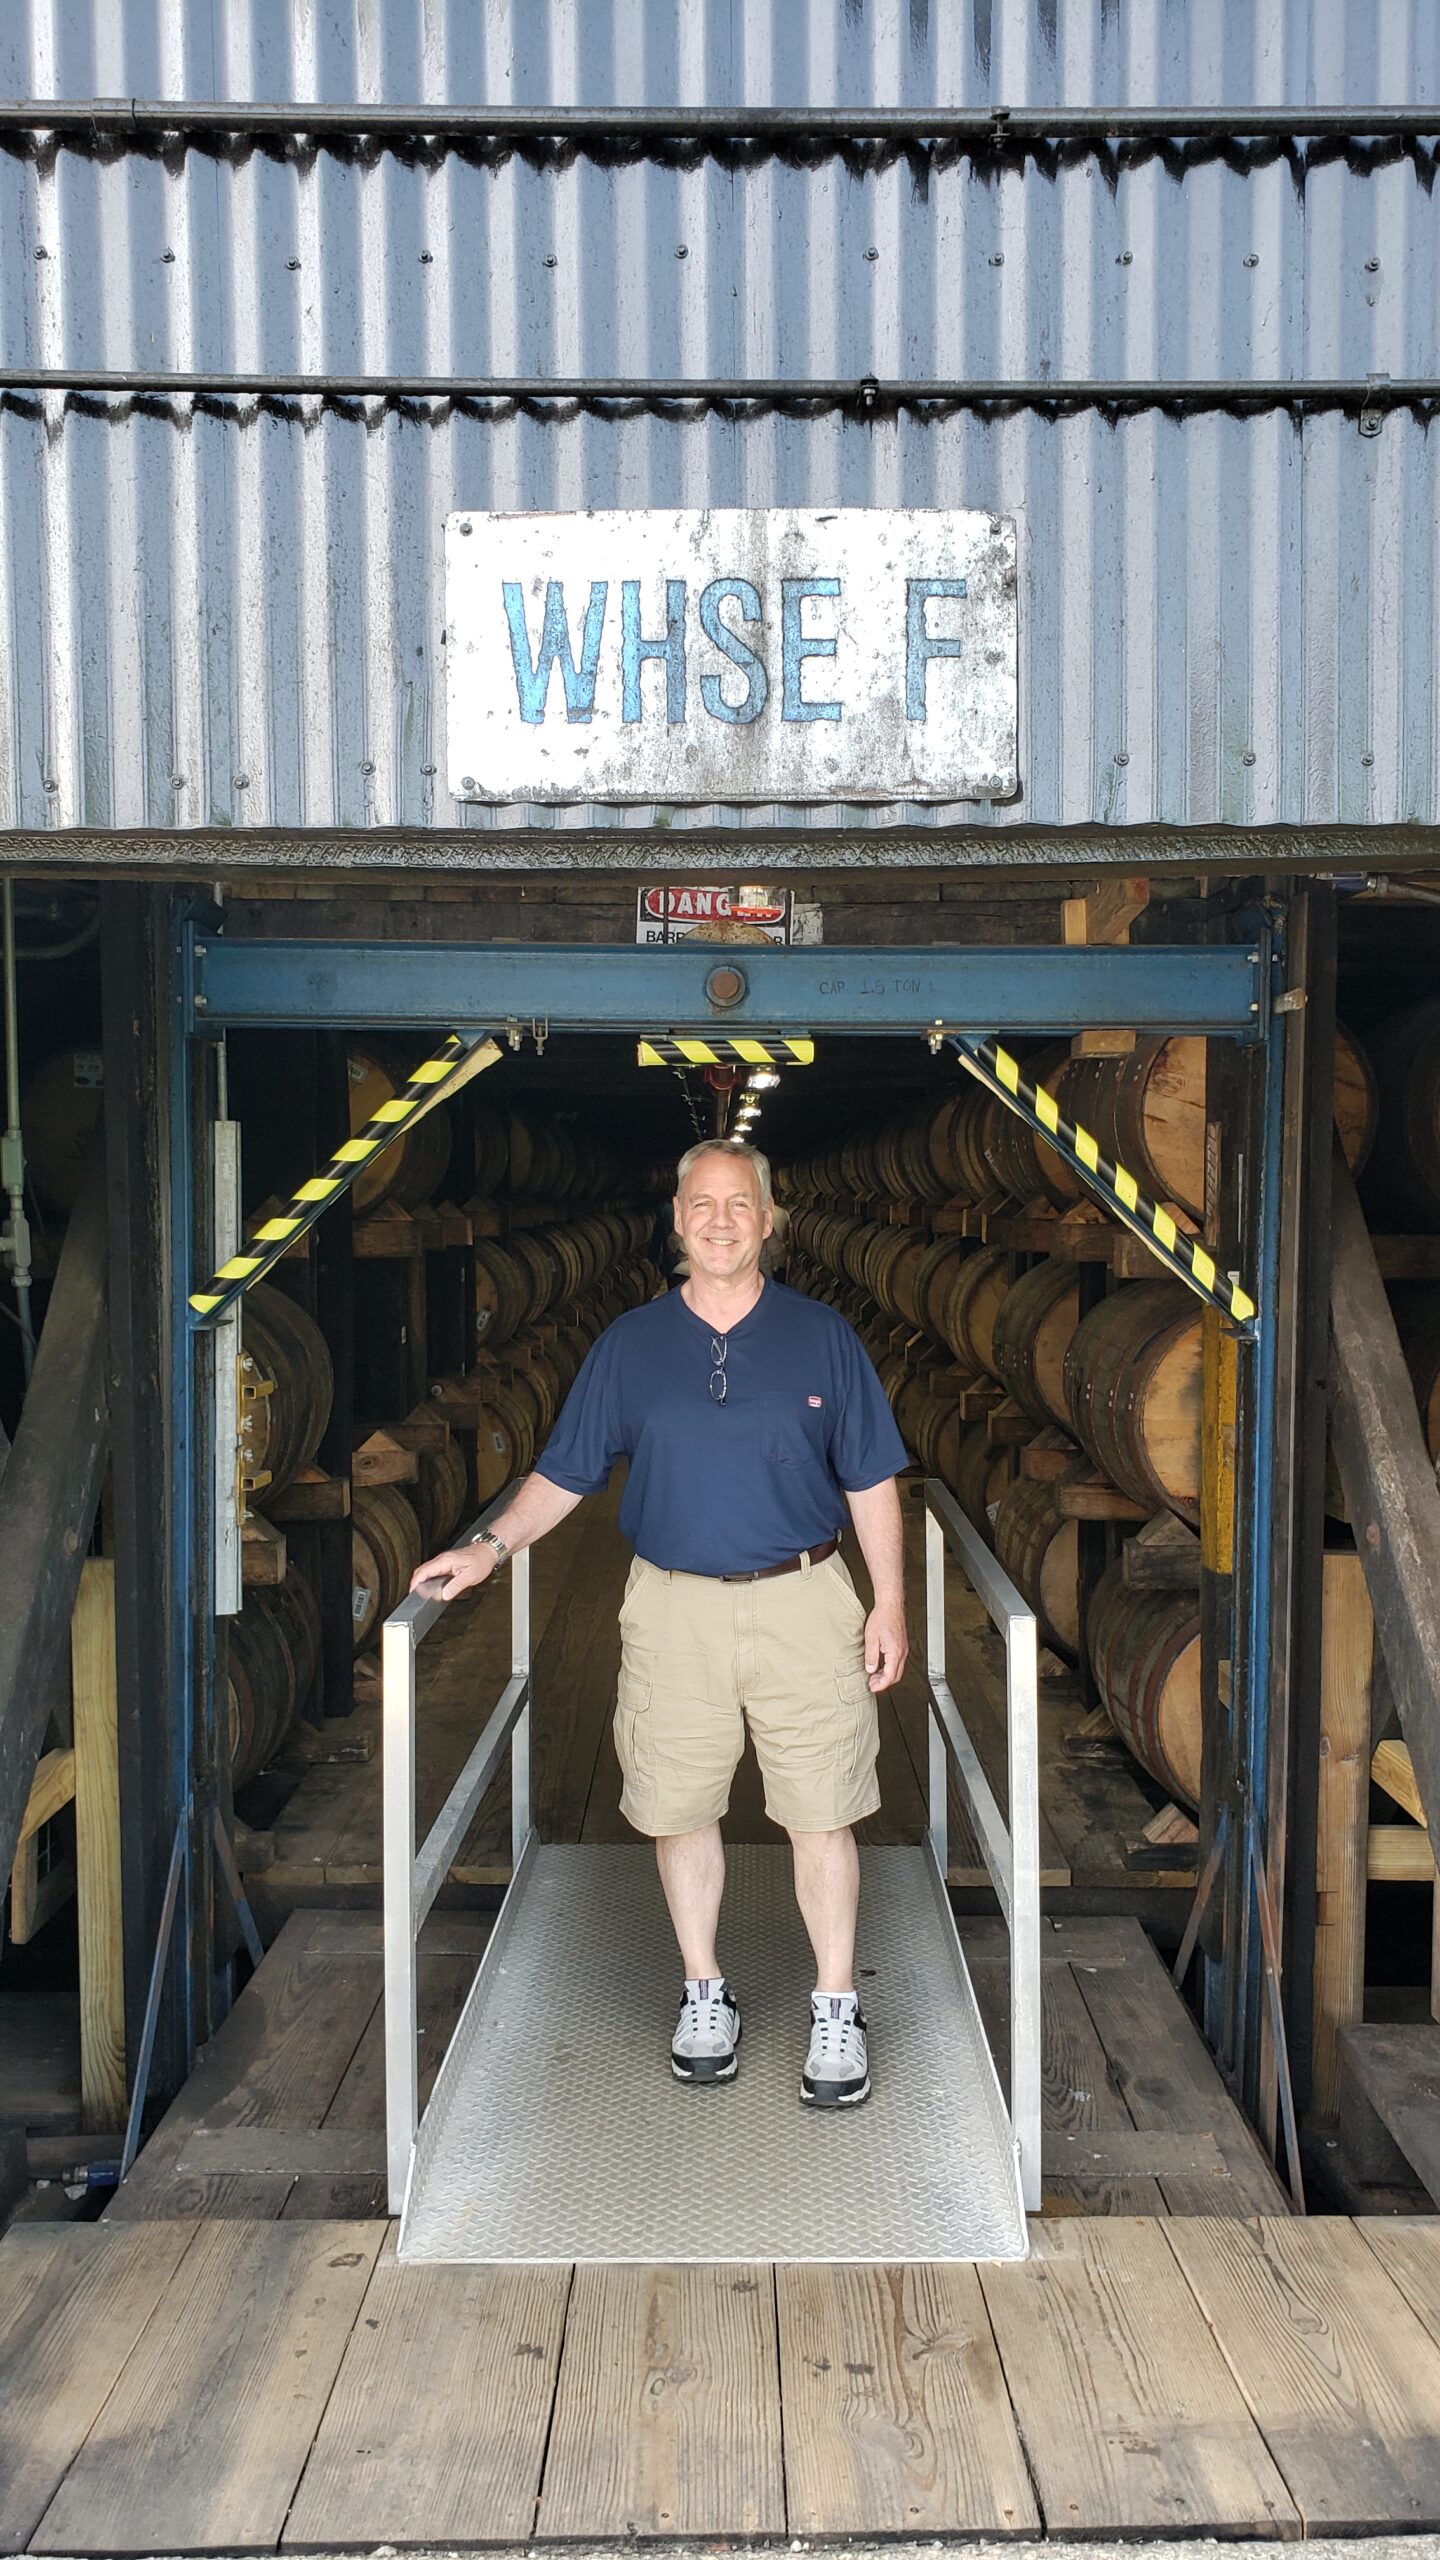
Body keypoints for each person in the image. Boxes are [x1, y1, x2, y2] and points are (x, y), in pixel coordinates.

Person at [410, 1138, 909, 2109]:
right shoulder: (629, 1346)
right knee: (679, 1806)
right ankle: (703, 1989)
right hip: (672, 1603)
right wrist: (490, 1548)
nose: (720, 1219)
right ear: (676, 1219)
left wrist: (888, 1599)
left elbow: (872, 1477)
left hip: (805, 1597)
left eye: (740, 1204)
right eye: (701, 1203)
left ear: (770, 1221)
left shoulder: (823, 1337)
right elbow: (563, 1472)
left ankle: (837, 2002)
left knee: (824, 1808)